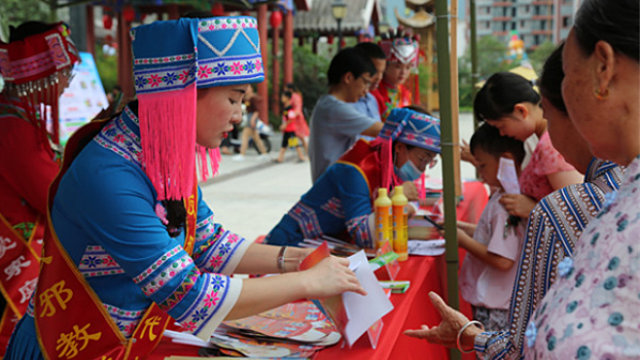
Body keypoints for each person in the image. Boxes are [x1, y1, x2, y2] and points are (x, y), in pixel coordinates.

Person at [5, 16, 365, 360]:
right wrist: (308, 283)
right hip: (77, 347)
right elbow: (190, 295)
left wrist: (294, 260)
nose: (240, 115)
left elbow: (208, 242)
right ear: (182, 94)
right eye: (234, 98)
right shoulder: (110, 174)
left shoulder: (155, 150)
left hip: (127, 343)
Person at [405, 0, 637, 357]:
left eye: (570, 78)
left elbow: (520, 346)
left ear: (602, 69)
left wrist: (473, 336)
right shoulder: (614, 194)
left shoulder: (567, 209)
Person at [0, 21, 78, 355]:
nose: (65, 84)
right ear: (41, 79)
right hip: (16, 252)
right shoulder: (14, 130)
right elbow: (53, 196)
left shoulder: (18, 120)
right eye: (62, 75)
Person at [265, 107, 440, 248]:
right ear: (400, 147)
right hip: (292, 245)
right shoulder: (357, 170)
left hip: (328, 245)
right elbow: (364, 236)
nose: (423, 169)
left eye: (430, 162)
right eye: (423, 159)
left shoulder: (390, 166)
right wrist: (396, 202)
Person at [474, 71, 583, 219]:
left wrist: (534, 210)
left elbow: (579, 209)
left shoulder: (549, 145)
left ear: (521, 110)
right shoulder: (545, 140)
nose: (502, 134)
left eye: (501, 126)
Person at [452, 123, 526, 332]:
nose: (479, 171)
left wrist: (463, 240)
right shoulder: (508, 195)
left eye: (483, 166)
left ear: (507, 160)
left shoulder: (506, 204)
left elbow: (503, 260)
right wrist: (463, 228)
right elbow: (493, 237)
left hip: (497, 308)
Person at [308, 46, 384, 182]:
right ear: (348, 77)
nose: (366, 90)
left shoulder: (327, 104)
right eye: (365, 82)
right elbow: (382, 130)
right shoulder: (334, 109)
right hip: (334, 193)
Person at [370, 28, 418, 122]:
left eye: (408, 68)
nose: (403, 72)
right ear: (385, 66)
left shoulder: (405, 94)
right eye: (397, 67)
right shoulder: (374, 93)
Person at [353, 42, 386, 141]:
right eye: (374, 72)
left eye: (382, 72)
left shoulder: (372, 100)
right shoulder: (344, 103)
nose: (379, 77)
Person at [232, 85, 269, 161]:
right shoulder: (246, 98)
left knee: (245, 135)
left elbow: (256, 111)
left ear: (251, 89)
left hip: (252, 117)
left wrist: (253, 120)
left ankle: (242, 154)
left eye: (248, 88)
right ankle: (264, 153)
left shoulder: (253, 98)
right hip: (249, 116)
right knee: (256, 137)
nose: (247, 90)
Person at [275, 90, 305, 163]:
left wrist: (284, 125)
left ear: (287, 98)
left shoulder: (290, 108)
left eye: (283, 97)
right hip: (287, 129)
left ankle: (301, 157)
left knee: (294, 144)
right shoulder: (286, 108)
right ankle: (280, 158)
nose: (282, 98)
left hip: (290, 129)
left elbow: (291, 118)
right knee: (284, 144)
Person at [284, 82, 310, 156]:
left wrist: (291, 116)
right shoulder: (293, 96)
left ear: (290, 89)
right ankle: (305, 153)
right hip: (294, 118)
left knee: (297, 136)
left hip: (296, 119)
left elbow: (297, 109)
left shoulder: (295, 96)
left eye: (286, 89)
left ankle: (304, 153)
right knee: (296, 136)